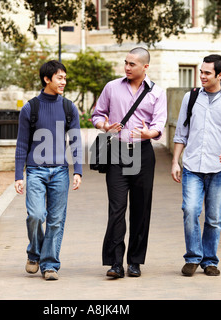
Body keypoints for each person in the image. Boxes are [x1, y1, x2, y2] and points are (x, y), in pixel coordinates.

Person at [91, 47, 167, 278]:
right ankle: (115, 263)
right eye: (126, 62)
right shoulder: (112, 87)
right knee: (116, 209)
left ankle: (135, 261)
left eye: (132, 64)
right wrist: (104, 126)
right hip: (117, 152)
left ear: (145, 67)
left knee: (141, 210)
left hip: (142, 154)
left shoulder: (157, 92)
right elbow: (96, 114)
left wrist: (149, 134)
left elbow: (159, 124)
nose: (127, 67)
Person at [171, 54, 221, 277]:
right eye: (201, 71)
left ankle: (210, 260)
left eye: (206, 73)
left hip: (218, 169)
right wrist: (175, 161)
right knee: (190, 210)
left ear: (219, 75)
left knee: (213, 218)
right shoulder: (191, 97)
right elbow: (181, 132)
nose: (201, 76)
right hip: (192, 167)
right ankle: (193, 257)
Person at [14, 60, 82, 281]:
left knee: (55, 220)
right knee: (35, 215)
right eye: (60, 77)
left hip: (60, 172)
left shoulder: (68, 107)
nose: (64, 81)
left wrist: (78, 171)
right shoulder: (30, 108)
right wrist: (18, 175)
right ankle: (34, 252)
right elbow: (22, 144)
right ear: (47, 79)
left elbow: (75, 141)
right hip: (35, 171)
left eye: (65, 77)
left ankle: (50, 264)